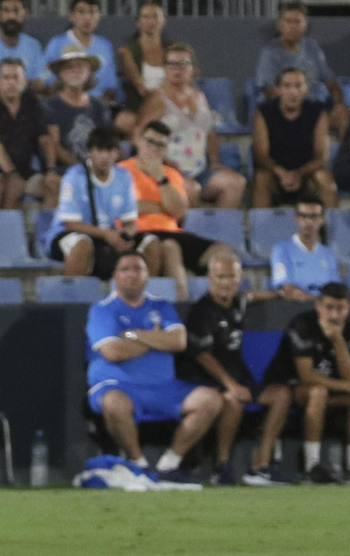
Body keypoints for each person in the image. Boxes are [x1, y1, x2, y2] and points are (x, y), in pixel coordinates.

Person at [86, 252, 221, 482]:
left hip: (163, 387)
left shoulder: (162, 306)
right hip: (118, 385)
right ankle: (138, 465)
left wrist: (133, 335)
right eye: (125, 269)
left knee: (211, 400)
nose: (132, 274)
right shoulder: (103, 309)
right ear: (115, 276)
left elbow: (178, 341)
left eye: (137, 269)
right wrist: (155, 339)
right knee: (114, 403)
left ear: (147, 275)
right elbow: (113, 352)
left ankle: (169, 464)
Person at [177, 250, 291, 486]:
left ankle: (260, 465)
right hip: (207, 381)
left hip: (239, 376)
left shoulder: (237, 302)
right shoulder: (202, 311)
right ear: (210, 279)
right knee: (233, 401)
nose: (226, 283)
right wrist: (231, 385)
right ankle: (222, 465)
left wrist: (279, 294)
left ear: (239, 279)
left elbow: (250, 297)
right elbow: (203, 356)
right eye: (221, 277)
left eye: (231, 277)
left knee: (282, 394)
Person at [119, 120, 237, 289]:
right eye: (150, 142)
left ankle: (218, 299)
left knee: (222, 252)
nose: (154, 148)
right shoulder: (120, 171)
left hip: (172, 232)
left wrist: (160, 178)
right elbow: (124, 209)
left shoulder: (171, 175)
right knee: (171, 249)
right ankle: (181, 301)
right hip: (139, 232)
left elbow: (179, 211)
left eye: (160, 145)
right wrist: (163, 207)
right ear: (138, 140)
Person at [134, 43, 245, 209]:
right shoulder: (158, 98)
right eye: (171, 64)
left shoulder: (200, 97)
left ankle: (219, 225)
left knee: (235, 183)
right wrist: (158, 163)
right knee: (190, 189)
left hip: (200, 170)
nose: (177, 69)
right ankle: (190, 225)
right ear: (164, 68)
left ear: (193, 68)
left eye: (183, 64)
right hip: (168, 170)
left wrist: (214, 160)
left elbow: (210, 133)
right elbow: (138, 133)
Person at [260, 283, 350, 484]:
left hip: (331, 389)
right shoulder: (303, 325)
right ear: (318, 306)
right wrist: (346, 387)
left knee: (324, 392)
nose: (334, 315)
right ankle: (312, 466)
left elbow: (348, 376)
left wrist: (338, 340)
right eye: (329, 308)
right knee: (318, 392)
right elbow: (306, 376)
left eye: (340, 309)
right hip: (290, 388)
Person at [44, 127, 143, 281]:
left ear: (117, 153)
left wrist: (125, 237)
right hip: (64, 234)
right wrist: (106, 234)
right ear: (90, 152)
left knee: (149, 244)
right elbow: (71, 224)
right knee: (82, 243)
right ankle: (71, 293)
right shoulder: (74, 176)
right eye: (99, 150)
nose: (104, 156)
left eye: (109, 150)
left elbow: (130, 222)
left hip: (105, 236)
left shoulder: (124, 177)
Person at [0, 58, 58, 210]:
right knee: (13, 187)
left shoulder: (31, 102)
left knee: (55, 186)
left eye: (16, 77)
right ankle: (6, 225)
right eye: (6, 78)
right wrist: (11, 174)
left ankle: (46, 225)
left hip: (26, 171)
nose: (11, 82)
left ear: (24, 81)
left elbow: (45, 139)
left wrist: (51, 170)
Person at [256, 2, 349, 136]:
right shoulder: (270, 53)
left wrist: (338, 104)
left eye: (298, 22)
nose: (293, 26)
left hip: (315, 109)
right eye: (288, 21)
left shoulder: (312, 47)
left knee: (343, 115)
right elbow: (270, 92)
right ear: (280, 25)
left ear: (305, 26)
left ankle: (341, 149)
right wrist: (299, 108)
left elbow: (332, 83)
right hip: (286, 111)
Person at [252, 67, 336, 209]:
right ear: (278, 90)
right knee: (261, 178)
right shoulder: (264, 112)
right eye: (287, 86)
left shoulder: (318, 113)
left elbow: (321, 157)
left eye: (298, 86)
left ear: (306, 89)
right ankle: (260, 223)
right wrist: (282, 173)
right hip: (275, 176)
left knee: (325, 180)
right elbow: (260, 154)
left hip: (306, 176)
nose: (293, 92)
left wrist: (298, 174)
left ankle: (328, 223)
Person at [43, 45, 113, 174]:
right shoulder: (49, 106)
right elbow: (54, 146)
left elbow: (108, 142)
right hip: (64, 172)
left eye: (80, 67)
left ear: (89, 72)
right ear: (61, 73)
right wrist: (84, 170)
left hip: (98, 171)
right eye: (69, 67)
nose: (75, 71)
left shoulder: (99, 106)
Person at [41, 0, 119, 104]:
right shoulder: (56, 44)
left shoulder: (105, 46)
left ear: (99, 16)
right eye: (81, 12)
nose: (87, 18)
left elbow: (110, 87)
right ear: (72, 16)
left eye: (92, 12)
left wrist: (99, 107)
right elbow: (48, 84)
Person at [270, 195, 344, 300]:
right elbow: (288, 291)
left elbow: (335, 291)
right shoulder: (282, 249)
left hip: (326, 307)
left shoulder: (329, 253)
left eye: (314, 217)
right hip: (296, 307)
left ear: (323, 219)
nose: (308, 222)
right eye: (303, 216)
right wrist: (319, 300)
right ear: (296, 218)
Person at [117, 0, 169, 123]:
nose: (151, 21)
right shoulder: (127, 51)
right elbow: (141, 89)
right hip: (140, 106)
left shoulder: (173, 50)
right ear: (138, 22)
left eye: (155, 16)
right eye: (146, 17)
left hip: (171, 103)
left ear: (163, 21)